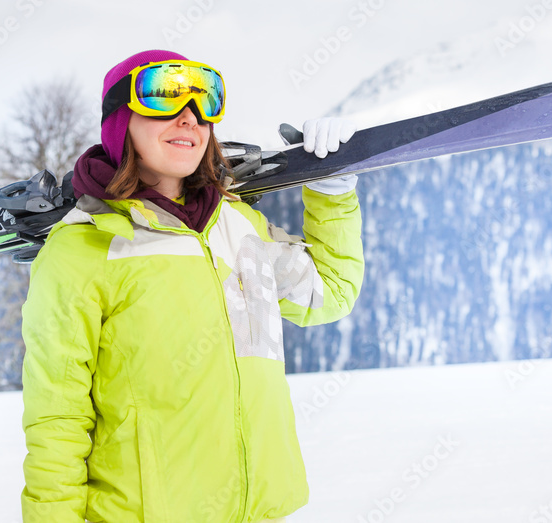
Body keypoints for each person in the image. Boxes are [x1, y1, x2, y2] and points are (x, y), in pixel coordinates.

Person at [20, 49, 364, 522]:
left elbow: (331, 291)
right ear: (121, 122)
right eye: (164, 98)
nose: (190, 118)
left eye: (205, 103)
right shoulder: (82, 251)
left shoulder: (241, 227)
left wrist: (333, 196)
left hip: (262, 511)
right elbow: (57, 418)